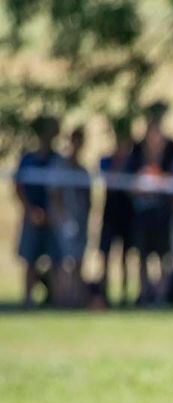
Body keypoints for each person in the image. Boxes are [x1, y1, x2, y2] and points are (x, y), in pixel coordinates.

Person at [129, 101, 173, 305]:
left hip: (163, 213)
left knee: (164, 256)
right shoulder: (137, 152)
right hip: (143, 213)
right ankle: (144, 292)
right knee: (142, 255)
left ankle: (161, 294)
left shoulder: (171, 150)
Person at [14, 115, 65, 308]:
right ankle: (28, 300)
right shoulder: (28, 160)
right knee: (30, 260)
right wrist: (31, 211)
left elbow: (61, 191)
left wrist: (53, 213)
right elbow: (18, 187)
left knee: (56, 261)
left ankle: (58, 300)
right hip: (32, 216)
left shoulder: (58, 160)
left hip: (52, 218)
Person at [98, 119, 138, 307]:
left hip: (127, 214)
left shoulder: (134, 163)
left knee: (126, 255)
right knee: (105, 253)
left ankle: (125, 292)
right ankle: (103, 291)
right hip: (110, 212)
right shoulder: (106, 160)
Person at [57, 126, 92, 307]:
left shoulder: (83, 171)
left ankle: (77, 298)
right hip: (66, 220)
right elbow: (56, 194)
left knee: (78, 260)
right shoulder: (62, 167)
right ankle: (63, 298)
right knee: (66, 261)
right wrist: (62, 216)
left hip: (81, 220)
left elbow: (89, 199)